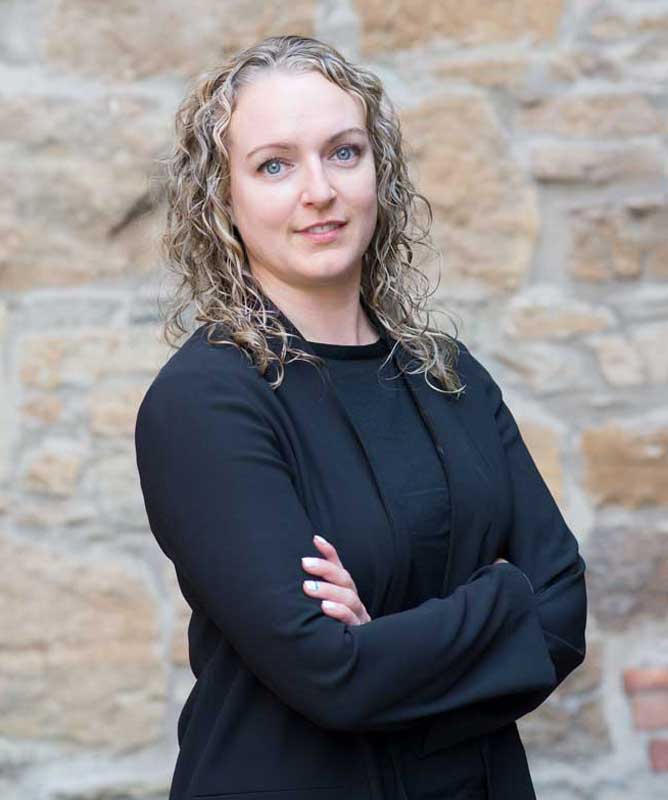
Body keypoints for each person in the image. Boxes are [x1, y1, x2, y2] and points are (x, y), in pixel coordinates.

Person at [134, 34, 587, 800]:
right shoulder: (207, 401)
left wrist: (383, 642)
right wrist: (502, 607)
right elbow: (330, 674)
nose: (319, 191)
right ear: (223, 199)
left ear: (379, 170)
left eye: (343, 153)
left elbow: (564, 609)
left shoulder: (447, 373)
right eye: (274, 165)